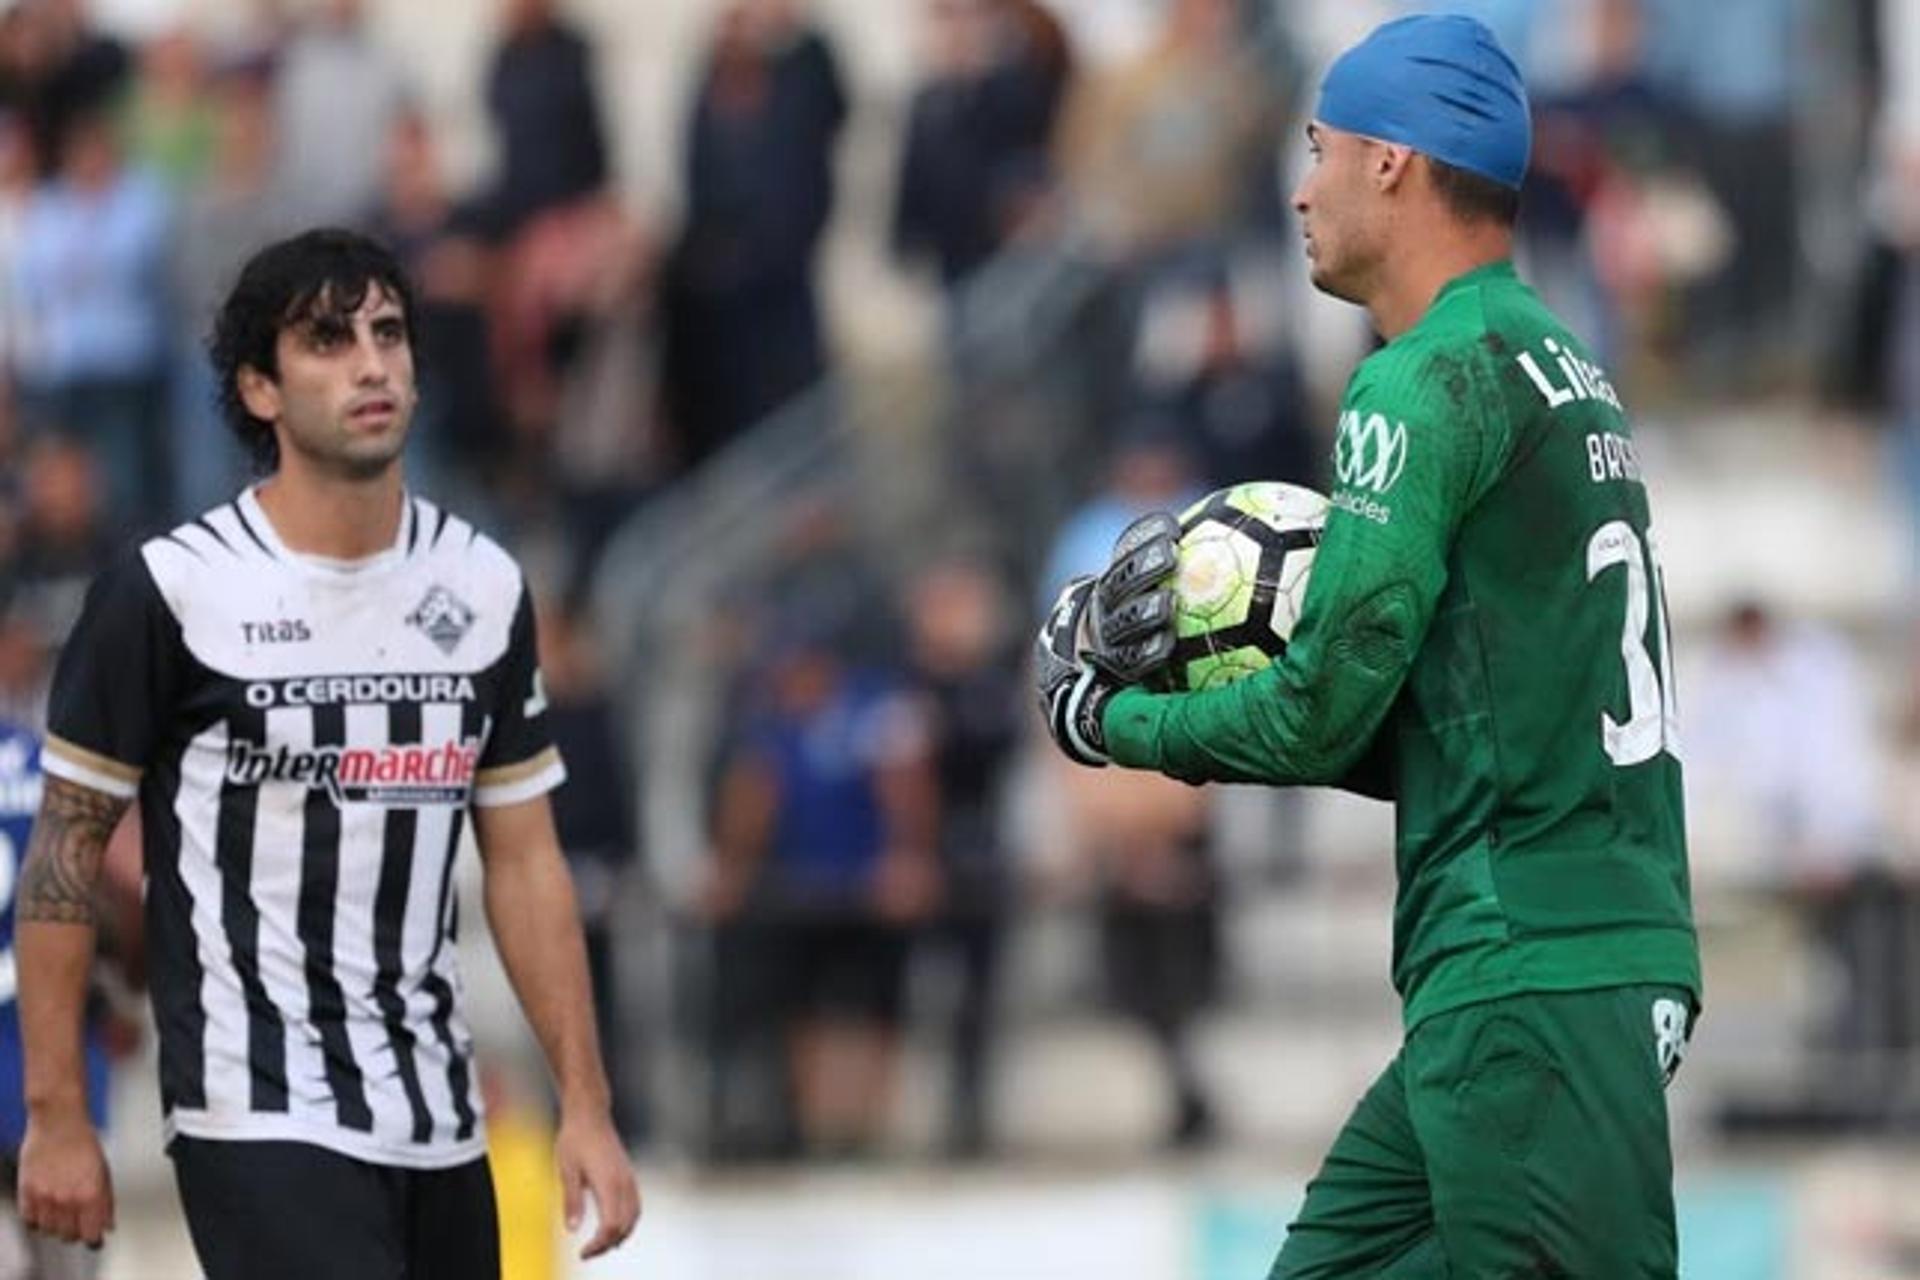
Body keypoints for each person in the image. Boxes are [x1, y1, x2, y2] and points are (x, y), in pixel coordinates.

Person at [1037, 16, 1701, 1276]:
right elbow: (1457, 726)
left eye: (1318, 147)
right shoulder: (1565, 363)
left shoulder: (1420, 380)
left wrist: (1110, 721)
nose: (1299, 188)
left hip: (1528, 976)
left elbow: (1320, 710)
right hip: (1547, 962)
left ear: (1393, 160)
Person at [12, 229, 640, 1277]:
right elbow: (66, 853)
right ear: (260, 388)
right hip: (252, 1101)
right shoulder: (172, 590)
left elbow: (527, 861)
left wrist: (587, 1105)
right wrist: (55, 1111)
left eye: (388, 333)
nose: (371, 362)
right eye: (328, 339)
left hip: (436, 1113)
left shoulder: (481, 585)